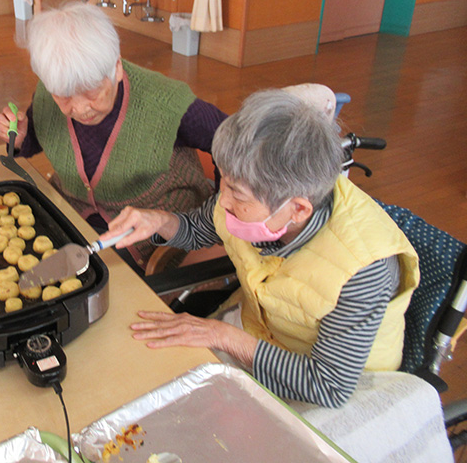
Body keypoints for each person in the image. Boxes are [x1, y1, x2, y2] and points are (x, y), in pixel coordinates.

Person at [101, 89, 420, 407]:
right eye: (223, 181)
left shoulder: (363, 268)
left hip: (336, 388)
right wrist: (157, 221)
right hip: (260, 332)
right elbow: (198, 230)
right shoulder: (261, 192)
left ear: (298, 209)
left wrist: (223, 336)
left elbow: (329, 387)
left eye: (236, 193)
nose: (223, 200)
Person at [0, 2, 227, 268]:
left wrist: (221, 214)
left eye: (91, 91)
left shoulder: (166, 103)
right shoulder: (52, 88)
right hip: (73, 213)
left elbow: (239, 144)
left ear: (116, 67)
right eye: (64, 96)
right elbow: (43, 136)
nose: (80, 108)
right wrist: (22, 138)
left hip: (147, 232)